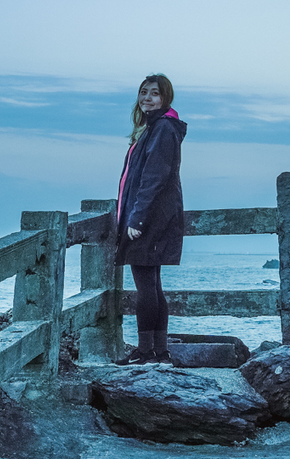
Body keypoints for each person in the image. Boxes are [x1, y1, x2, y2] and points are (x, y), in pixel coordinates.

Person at [114, 74, 187, 365]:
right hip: (153, 217)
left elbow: (154, 177)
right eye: (143, 92)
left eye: (154, 94)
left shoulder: (163, 129)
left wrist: (137, 219)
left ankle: (147, 352)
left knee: (146, 286)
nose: (147, 98)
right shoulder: (155, 128)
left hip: (149, 219)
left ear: (165, 98)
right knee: (153, 285)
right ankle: (159, 351)